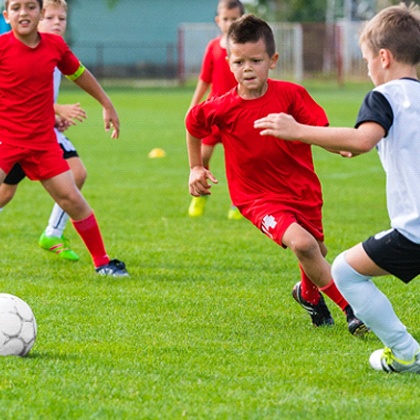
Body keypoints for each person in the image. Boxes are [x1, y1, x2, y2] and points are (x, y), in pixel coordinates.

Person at [254, 3, 420, 373]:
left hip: (414, 230)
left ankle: (405, 352)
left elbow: (363, 139)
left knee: (345, 271)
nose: (367, 69)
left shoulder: (385, 97)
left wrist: (297, 130)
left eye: (365, 60)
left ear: (384, 57)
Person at [186, 14, 367, 336]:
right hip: (256, 198)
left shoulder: (292, 95)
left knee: (317, 251)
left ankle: (308, 294)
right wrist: (196, 167)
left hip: (302, 190)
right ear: (229, 63)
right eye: (239, 61)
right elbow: (193, 124)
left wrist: (338, 146)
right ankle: (353, 310)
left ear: (273, 60)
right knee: (304, 245)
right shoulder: (221, 107)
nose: (247, 68)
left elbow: (317, 131)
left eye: (256, 60)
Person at [0, 0, 128, 276]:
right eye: (17, 7)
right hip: (5, 141)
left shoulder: (54, 46)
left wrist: (107, 104)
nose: (24, 13)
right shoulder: (2, 47)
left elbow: (79, 74)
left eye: (31, 7)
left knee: (72, 198)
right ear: (6, 15)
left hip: (43, 143)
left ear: (40, 13)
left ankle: (103, 263)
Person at [0, 0, 88, 262]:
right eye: (51, 18)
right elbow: (20, 97)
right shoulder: (20, 48)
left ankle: (53, 232)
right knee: (6, 192)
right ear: (38, 19)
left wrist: (54, 117)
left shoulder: (56, 50)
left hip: (43, 134)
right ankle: (52, 233)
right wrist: (57, 109)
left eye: (62, 19)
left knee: (77, 173)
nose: (57, 24)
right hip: (17, 134)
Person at [188, 0, 244, 220]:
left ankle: (238, 202)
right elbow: (204, 79)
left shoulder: (244, 49)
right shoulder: (212, 47)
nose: (230, 23)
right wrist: (194, 105)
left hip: (239, 112)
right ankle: (200, 194)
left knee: (238, 160)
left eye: (234, 19)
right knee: (202, 154)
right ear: (218, 20)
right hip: (214, 113)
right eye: (226, 19)